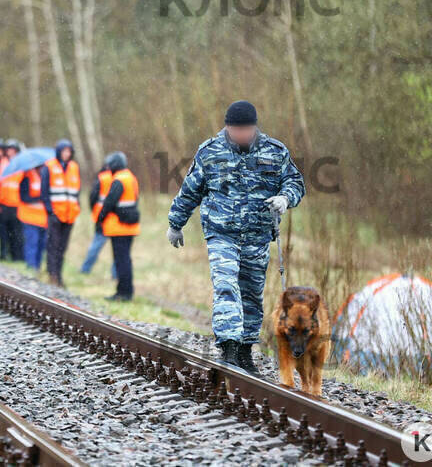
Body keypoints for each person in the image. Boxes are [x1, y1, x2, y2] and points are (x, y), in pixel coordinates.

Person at [167, 100, 305, 374]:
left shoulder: (275, 151)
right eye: (235, 129)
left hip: (257, 236)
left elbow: (295, 182)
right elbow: (190, 190)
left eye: (246, 129)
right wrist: (175, 223)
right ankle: (228, 349)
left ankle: (244, 352)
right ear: (227, 128)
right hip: (222, 233)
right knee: (226, 285)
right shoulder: (209, 152)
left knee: (252, 294)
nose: (241, 134)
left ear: (255, 127)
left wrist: (284, 198)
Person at [97, 152, 140, 301]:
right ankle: (126, 291)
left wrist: (100, 218)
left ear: (115, 164)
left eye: (109, 165)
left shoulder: (118, 180)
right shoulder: (131, 177)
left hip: (119, 227)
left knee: (121, 261)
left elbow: (109, 202)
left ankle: (123, 294)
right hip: (130, 226)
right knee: (125, 260)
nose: (108, 168)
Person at [41, 139, 81, 286]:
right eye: (64, 151)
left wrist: (77, 207)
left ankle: (59, 274)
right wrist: (50, 211)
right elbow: (44, 192)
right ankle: (52, 274)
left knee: (63, 247)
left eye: (69, 151)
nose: (67, 154)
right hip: (55, 214)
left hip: (70, 215)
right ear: (59, 151)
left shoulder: (74, 168)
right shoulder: (49, 167)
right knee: (53, 245)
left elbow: (77, 190)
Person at [80, 162, 116, 278]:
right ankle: (115, 275)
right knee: (117, 250)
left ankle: (85, 269)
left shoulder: (101, 179)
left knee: (95, 246)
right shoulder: (120, 178)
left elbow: (92, 198)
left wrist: (97, 213)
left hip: (102, 219)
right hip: (117, 220)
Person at [0, 139, 24, 261]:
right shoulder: (2, 163)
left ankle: (16, 256)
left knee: (16, 232)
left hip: (16, 204)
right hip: (3, 203)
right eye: (9, 150)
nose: (10, 152)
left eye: (13, 150)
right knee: (3, 232)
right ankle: (3, 254)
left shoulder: (22, 164)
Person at [18, 166, 48, 270]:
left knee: (42, 244)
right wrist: (40, 197)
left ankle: (37, 266)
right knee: (32, 242)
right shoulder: (27, 178)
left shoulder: (47, 178)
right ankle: (31, 266)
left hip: (44, 219)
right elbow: (23, 197)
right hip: (29, 218)